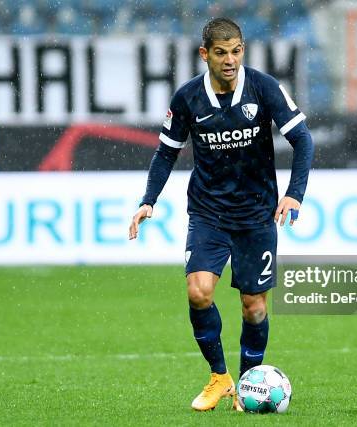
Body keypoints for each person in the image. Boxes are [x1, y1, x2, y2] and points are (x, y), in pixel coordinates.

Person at [128, 18, 313, 411]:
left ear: (243, 50)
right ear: (205, 54)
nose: (230, 60)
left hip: (256, 215)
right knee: (198, 292)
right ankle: (219, 377)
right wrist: (149, 200)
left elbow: (303, 140)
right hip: (209, 213)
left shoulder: (264, 88)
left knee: (254, 306)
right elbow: (166, 152)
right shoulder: (188, 98)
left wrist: (294, 195)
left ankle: (249, 385)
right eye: (221, 52)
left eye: (236, 51)